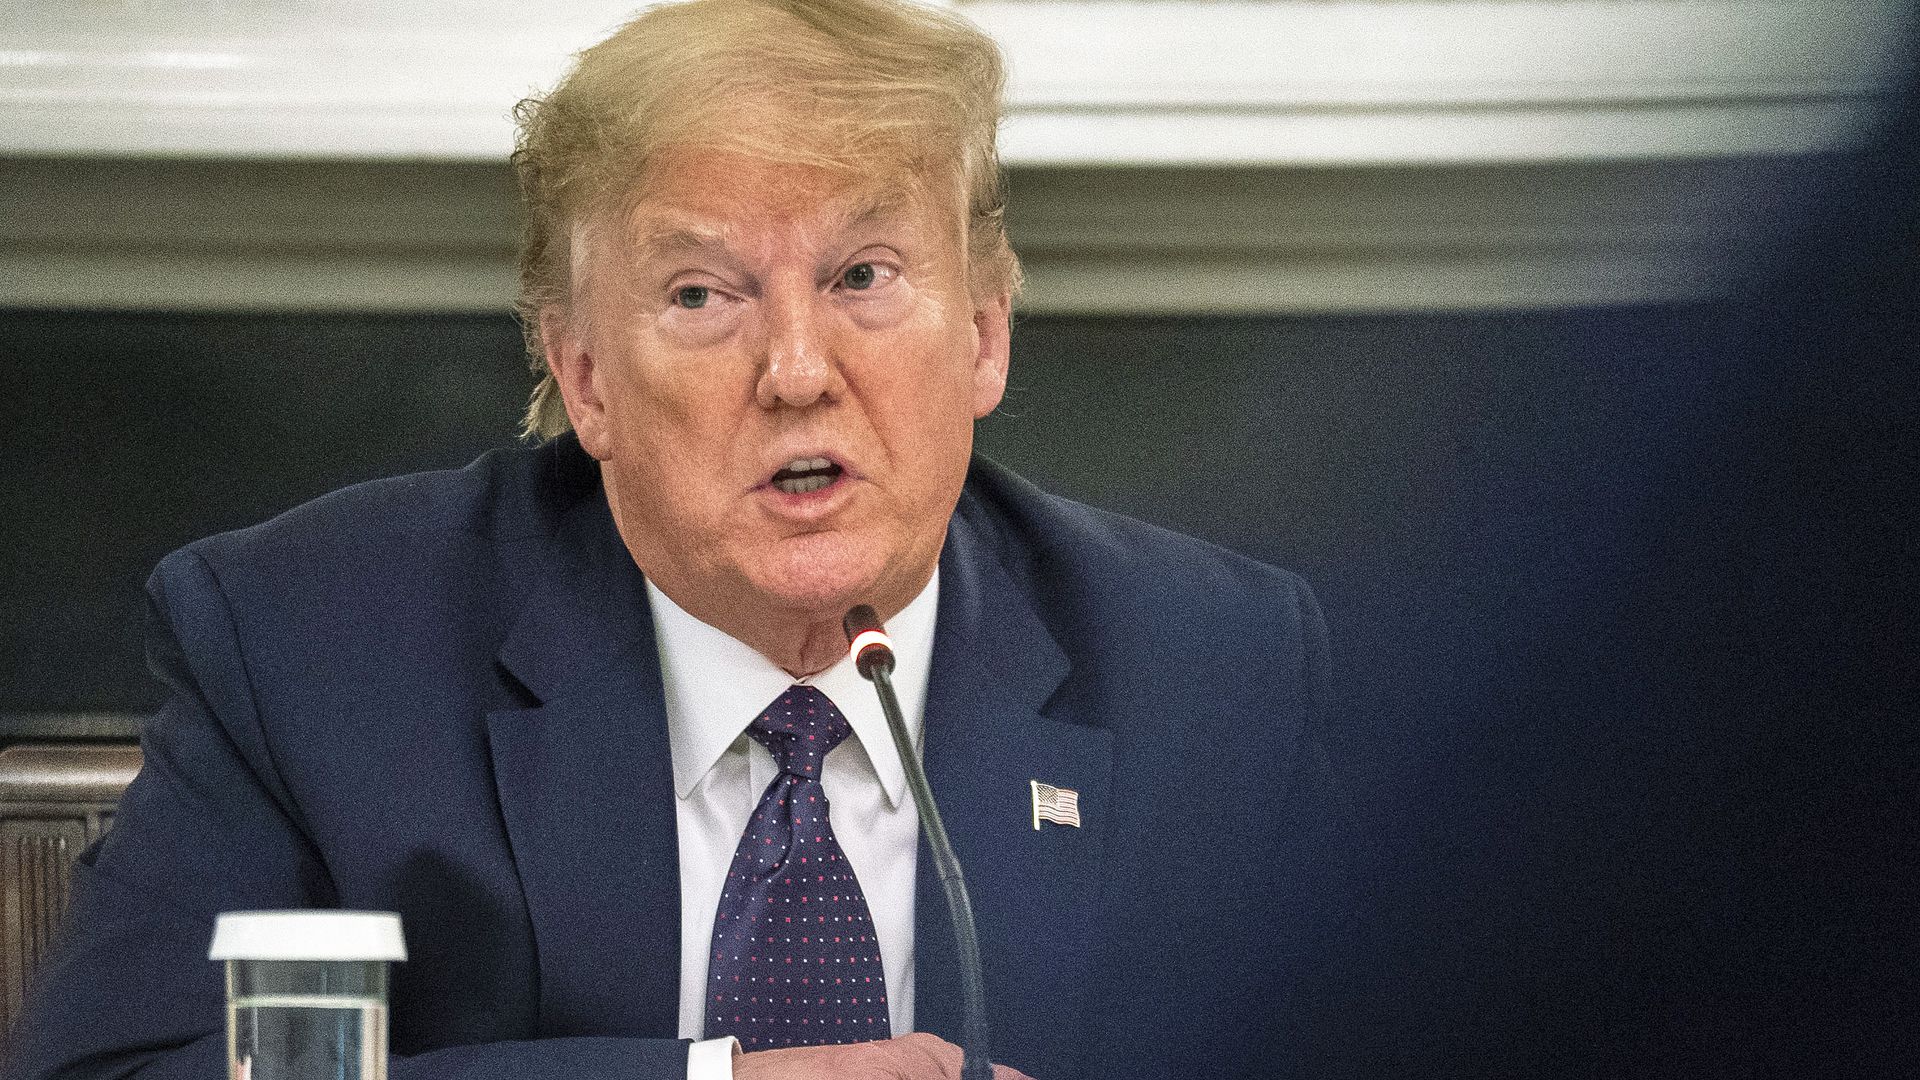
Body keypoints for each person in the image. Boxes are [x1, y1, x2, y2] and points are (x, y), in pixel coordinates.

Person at [6, 0, 1347, 1077]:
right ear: (584, 376)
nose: (799, 368)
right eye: (703, 294)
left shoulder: (1217, 673)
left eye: (864, 276)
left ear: (986, 333)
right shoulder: (312, 649)